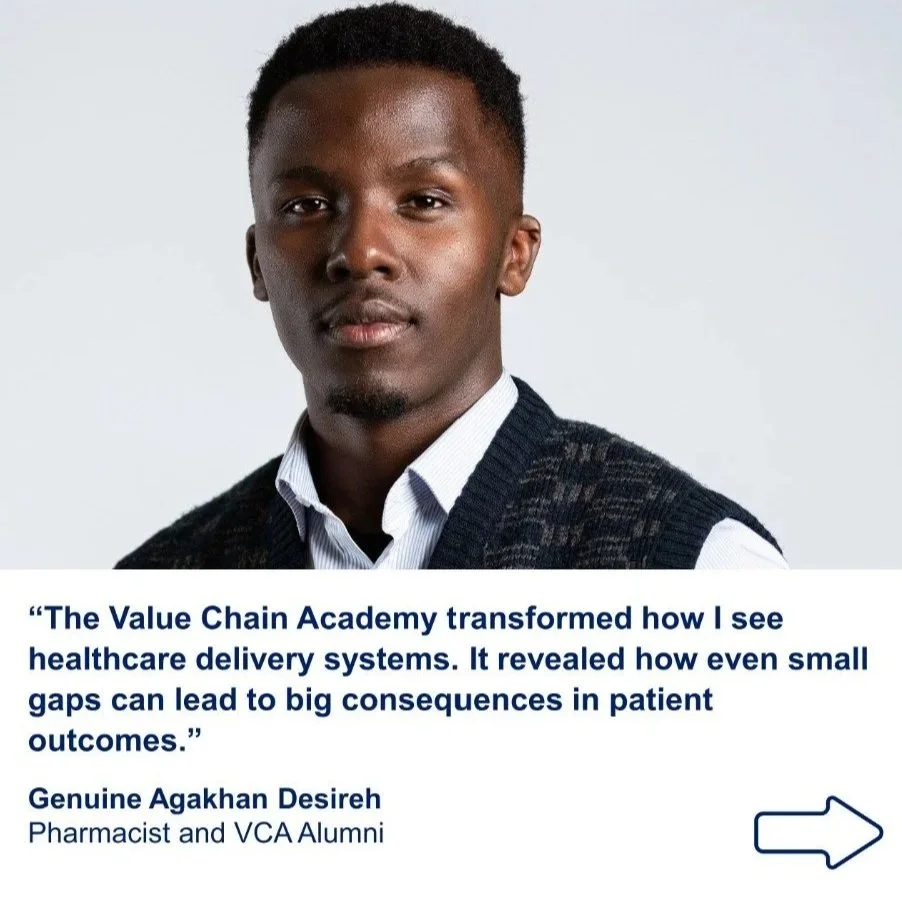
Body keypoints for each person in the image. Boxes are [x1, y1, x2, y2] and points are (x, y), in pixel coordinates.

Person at [117, 2, 785, 570]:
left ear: (514, 254)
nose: (360, 252)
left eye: (424, 201)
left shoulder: (697, 568)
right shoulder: (150, 597)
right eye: (307, 206)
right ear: (258, 262)